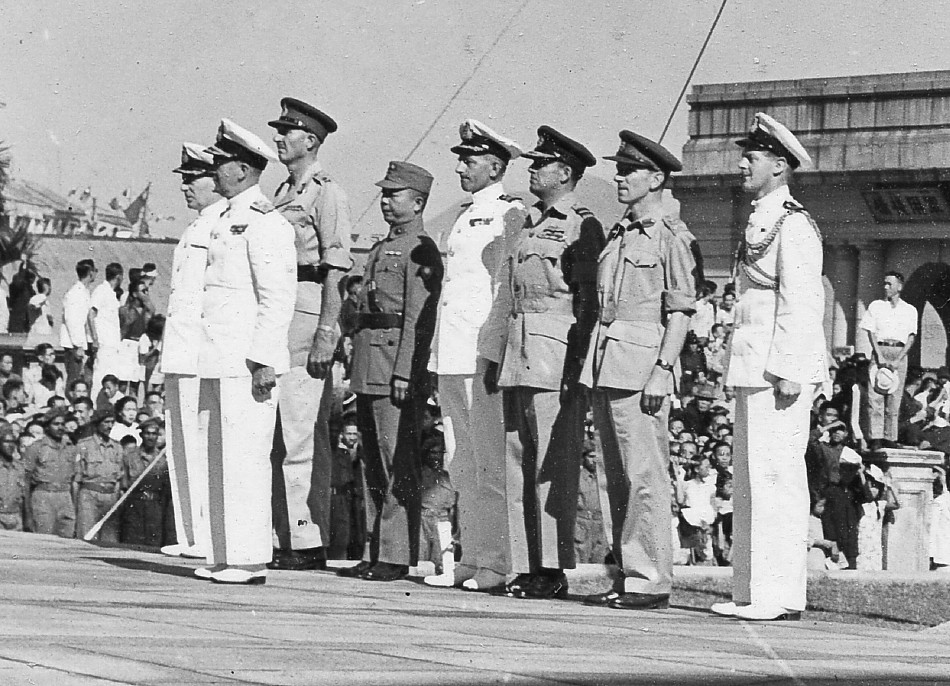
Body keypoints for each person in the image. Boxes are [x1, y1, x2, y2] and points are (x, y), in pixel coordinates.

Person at [711, 113, 828, 621]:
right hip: (750, 367)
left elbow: (802, 304)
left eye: (753, 157)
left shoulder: (794, 223)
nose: (743, 163)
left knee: (777, 479)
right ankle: (751, 590)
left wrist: (787, 368)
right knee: (751, 480)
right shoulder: (761, 214)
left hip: (777, 371)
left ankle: (778, 595)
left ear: (779, 166)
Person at [481, 126, 603, 601]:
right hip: (519, 349)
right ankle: (525, 562)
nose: (532, 170)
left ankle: (551, 566)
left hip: (555, 354)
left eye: (541, 163)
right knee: (516, 460)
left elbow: (588, 302)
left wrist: (577, 368)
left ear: (565, 173)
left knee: (551, 464)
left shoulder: (581, 225)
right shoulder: (528, 224)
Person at [579, 130, 698, 609]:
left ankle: (650, 579)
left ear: (656, 178)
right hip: (607, 363)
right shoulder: (620, 231)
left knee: (645, 475)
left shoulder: (671, 238)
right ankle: (624, 571)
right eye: (619, 169)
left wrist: (662, 369)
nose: (619, 178)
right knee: (614, 476)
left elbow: (682, 310)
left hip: (643, 366)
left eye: (629, 171)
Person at [424, 119, 526, 590]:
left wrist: (497, 352)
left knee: (488, 462)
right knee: (459, 459)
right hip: (451, 350)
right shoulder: (465, 214)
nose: (462, 167)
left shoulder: (510, 212)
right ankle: (469, 558)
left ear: (496, 165)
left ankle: (495, 561)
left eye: (471, 159)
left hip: (480, 350)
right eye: (461, 159)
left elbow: (507, 288)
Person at [195, 118, 296, 584]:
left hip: (247, 361)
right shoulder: (221, 219)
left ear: (241, 169)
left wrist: (265, 361)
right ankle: (223, 551)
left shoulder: (265, 222)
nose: (213, 172)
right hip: (216, 356)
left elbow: (277, 297)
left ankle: (249, 557)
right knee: (218, 455)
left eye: (220, 163)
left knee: (246, 459)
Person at [343, 161, 442, 582]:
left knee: (395, 459)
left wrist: (405, 373)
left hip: (393, 368)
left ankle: (397, 553)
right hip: (369, 362)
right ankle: (376, 548)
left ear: (417, 202)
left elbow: (419, 317)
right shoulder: (383, 247)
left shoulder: (421, 249)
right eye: (383, 194)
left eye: (394, 194)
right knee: (372, 462)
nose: (384, 201)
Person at [267, 98, 354, 572]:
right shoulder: (283, 190)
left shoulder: (327, 194)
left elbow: (336, 268)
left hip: (308, 302)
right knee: (282, 429)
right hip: (282, 306)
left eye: (288, 131)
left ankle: (305, 538)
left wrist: (327, 330)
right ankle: (285, 532)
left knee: (301, 429)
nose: (280, 137)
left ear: (312, 141)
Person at [160, 142, 226, 562]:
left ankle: (207, 536)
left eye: (194, 179)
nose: (187, 187)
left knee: (203, 445)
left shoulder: (220, 225)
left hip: (202, 353)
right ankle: (190, 535)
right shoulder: (193, 228)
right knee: (181, 443)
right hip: (180, 351)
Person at [859, 271, 918, 450]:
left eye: (889, 284)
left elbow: (911, 336)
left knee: (894, 396)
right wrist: (879, 355)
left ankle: (890, 437)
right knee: (875, 396)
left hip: (899, 351)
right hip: (880, 349)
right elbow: (871, 332)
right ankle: (875, 437)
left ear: (899, 286)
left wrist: (899, 359)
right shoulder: (876, 306)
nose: (886, 287)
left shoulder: (909, 309)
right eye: (884, 283)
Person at [23, 410, 78, 537]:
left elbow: (74, 479)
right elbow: (25, 481)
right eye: (56, 424)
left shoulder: (70, 448)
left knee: (67, 540)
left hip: (65, 496)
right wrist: (28, 515)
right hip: (44, 496)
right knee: (45, 540)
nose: (60, 427)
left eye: (62, 424)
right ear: (47, 426)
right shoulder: (36, 447)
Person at [120, 418, 173, 547]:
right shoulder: (130, 456)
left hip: (155, 506)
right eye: (147, 433)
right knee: (132, 541)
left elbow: (167, 489)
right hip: (134, 505)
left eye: (154, 434)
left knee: (153, 542)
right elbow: (123, 483)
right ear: (141, 435)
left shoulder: (163, 459)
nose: (151, 437)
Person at [74, 409, 124, 543]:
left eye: (112, 422)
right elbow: (76, 480)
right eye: (106, 422)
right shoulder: (84, 445)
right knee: (86, 537)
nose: (109, 426)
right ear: (97, 424)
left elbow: (118, 479)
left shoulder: (117, 447)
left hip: (110, 496)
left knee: (110, 540)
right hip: (89, 496)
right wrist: (75, 506)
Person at [418, 435, 457, 578]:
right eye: (433, 453)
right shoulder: (419, 475)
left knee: (441, 561)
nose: (437, 457)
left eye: (441, 453)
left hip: (442, 520)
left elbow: (453, 507)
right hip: (423, 518)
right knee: (421, 560)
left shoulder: (447, 477)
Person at [60, 259, 97, 387]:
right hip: (74, 346)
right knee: (74, 380)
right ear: (90, 273)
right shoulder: (75, 293)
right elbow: (73, 321)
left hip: (81, 344)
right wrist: (78, 345)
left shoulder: (84, 292)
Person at [89, 262, 124, 393]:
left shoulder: (111, 293)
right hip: (104, 343)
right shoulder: (101, 290)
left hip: (112, 343)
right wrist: (95, 339)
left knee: (112, 376)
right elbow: (91, 314)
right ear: (119, 277)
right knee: (100, 376)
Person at [118, 279, 152, 396]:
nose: (146, 293)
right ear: (134, 293)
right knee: (122, 382)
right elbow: (123, 331)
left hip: (138, 347)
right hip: (127, 346)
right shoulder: (126, 310)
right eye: (143, 291)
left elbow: (151, 312)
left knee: (135, 383)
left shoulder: (145, 311)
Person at [0, 428, 28, 531]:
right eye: (6, 442)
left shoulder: (20, 467)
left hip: (15, 517)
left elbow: (25, 495)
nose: (11, 445)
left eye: (13, 442)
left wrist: (27, 519)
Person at [25, 276, 55, 344]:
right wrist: (41, 303)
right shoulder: (38, 298)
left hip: (45, 332)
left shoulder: (45, 300)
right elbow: (33, 306)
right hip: (38, 331)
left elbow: (49, 317)